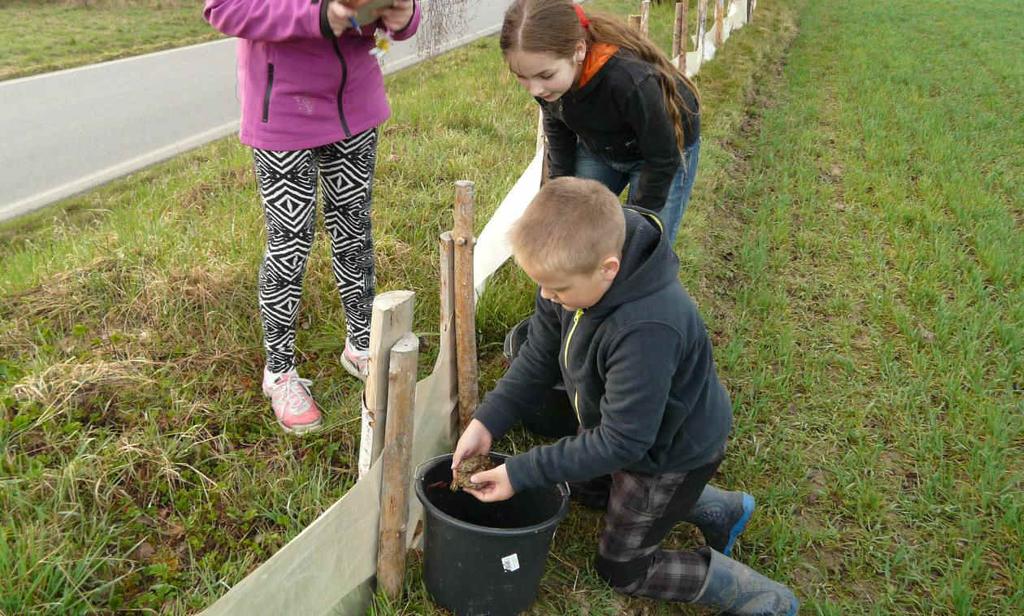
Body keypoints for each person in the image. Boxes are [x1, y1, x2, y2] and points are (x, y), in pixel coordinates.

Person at [452, 178, 797, 615]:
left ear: (608, 269)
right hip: (620, 427)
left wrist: (519, 473)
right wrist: (488, 420)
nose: (547, 296)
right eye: (542, 285)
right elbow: (539, 352)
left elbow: (624, 443)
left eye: (557, 290)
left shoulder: (647, 328)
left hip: (666, 455)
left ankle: (751, 592)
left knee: (623, 567)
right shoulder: (572, 268)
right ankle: (717, 507)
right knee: (585, 488)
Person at [203, 0, 420, 434]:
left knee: (354, 227)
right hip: (282, 111)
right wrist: (317, 16)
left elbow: (395, 18)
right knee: (290, 240)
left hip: (355, 105)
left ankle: (361, 344)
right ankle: (279, 372)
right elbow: (224, 9)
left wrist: (404, 15)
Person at [500, 0, 701, 244]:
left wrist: (636, 223)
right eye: (522, 77)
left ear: (579, 51)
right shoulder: (546, 83)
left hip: (663, 151)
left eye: (546, 76)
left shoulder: (628, 80)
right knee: (572, 225)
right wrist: (560, 187)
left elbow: (662, 156)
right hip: (602, 146)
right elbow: (558, 123)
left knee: (642, 243)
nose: (535, 89)